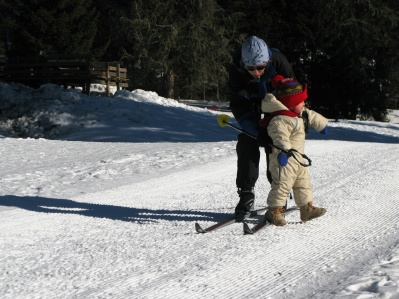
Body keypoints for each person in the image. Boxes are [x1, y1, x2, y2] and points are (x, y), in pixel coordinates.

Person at [228, 35, 295, 219]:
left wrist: (277, 126)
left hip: (277, 106)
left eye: (260, 68)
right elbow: (240, 106)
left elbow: (291, 99)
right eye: (251, 68)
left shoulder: (280, 64)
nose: (256, 72)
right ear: (243, 64)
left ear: (267, 62)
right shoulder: (236, 70)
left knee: (276, 144)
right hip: (252, 106)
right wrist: (257, 131)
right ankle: (246, 193)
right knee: (246, 140)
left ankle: (278, 192)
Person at [260, 75, 328, 225]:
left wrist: (322, 125)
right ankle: (274, 211)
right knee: (282, 184)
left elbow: (312, 115)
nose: (304, 104)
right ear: (289, 104)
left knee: (303, 183)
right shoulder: (279, 120)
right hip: (283, 159)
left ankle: (306, 209)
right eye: (301, 101)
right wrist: (284, 152)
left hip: (298, 159)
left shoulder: (299, 113)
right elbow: (280, 137)